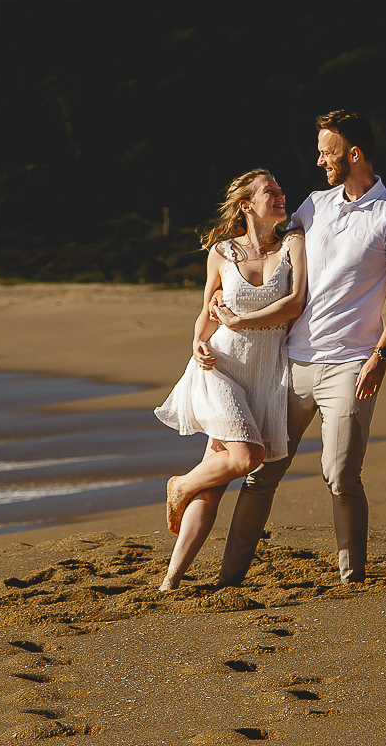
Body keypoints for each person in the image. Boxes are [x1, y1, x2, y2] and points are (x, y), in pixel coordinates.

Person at [217, 110, 386, 586]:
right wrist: (224, 277)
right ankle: (228, 580)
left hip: (351, 366)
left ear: (353, 154)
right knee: (263, 472)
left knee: (341, 475)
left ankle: (352, 579)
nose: (319, 161)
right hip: (293, 363)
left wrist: (381, 357)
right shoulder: (313, 205)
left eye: (327, 153)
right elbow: (265, 239)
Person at [154, 168, 307, 591]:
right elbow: (205, 312)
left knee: (215, 479)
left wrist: (242, 319)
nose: (280, 196)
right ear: (247, 205)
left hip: (266, 372)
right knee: (245, 459)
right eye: (270, 192)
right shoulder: (222, 251)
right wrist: (196, 343)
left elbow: (294, 304)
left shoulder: (294, 243)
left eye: (280, 190)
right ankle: (181, 485)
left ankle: (171, 578)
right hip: (219, 365)